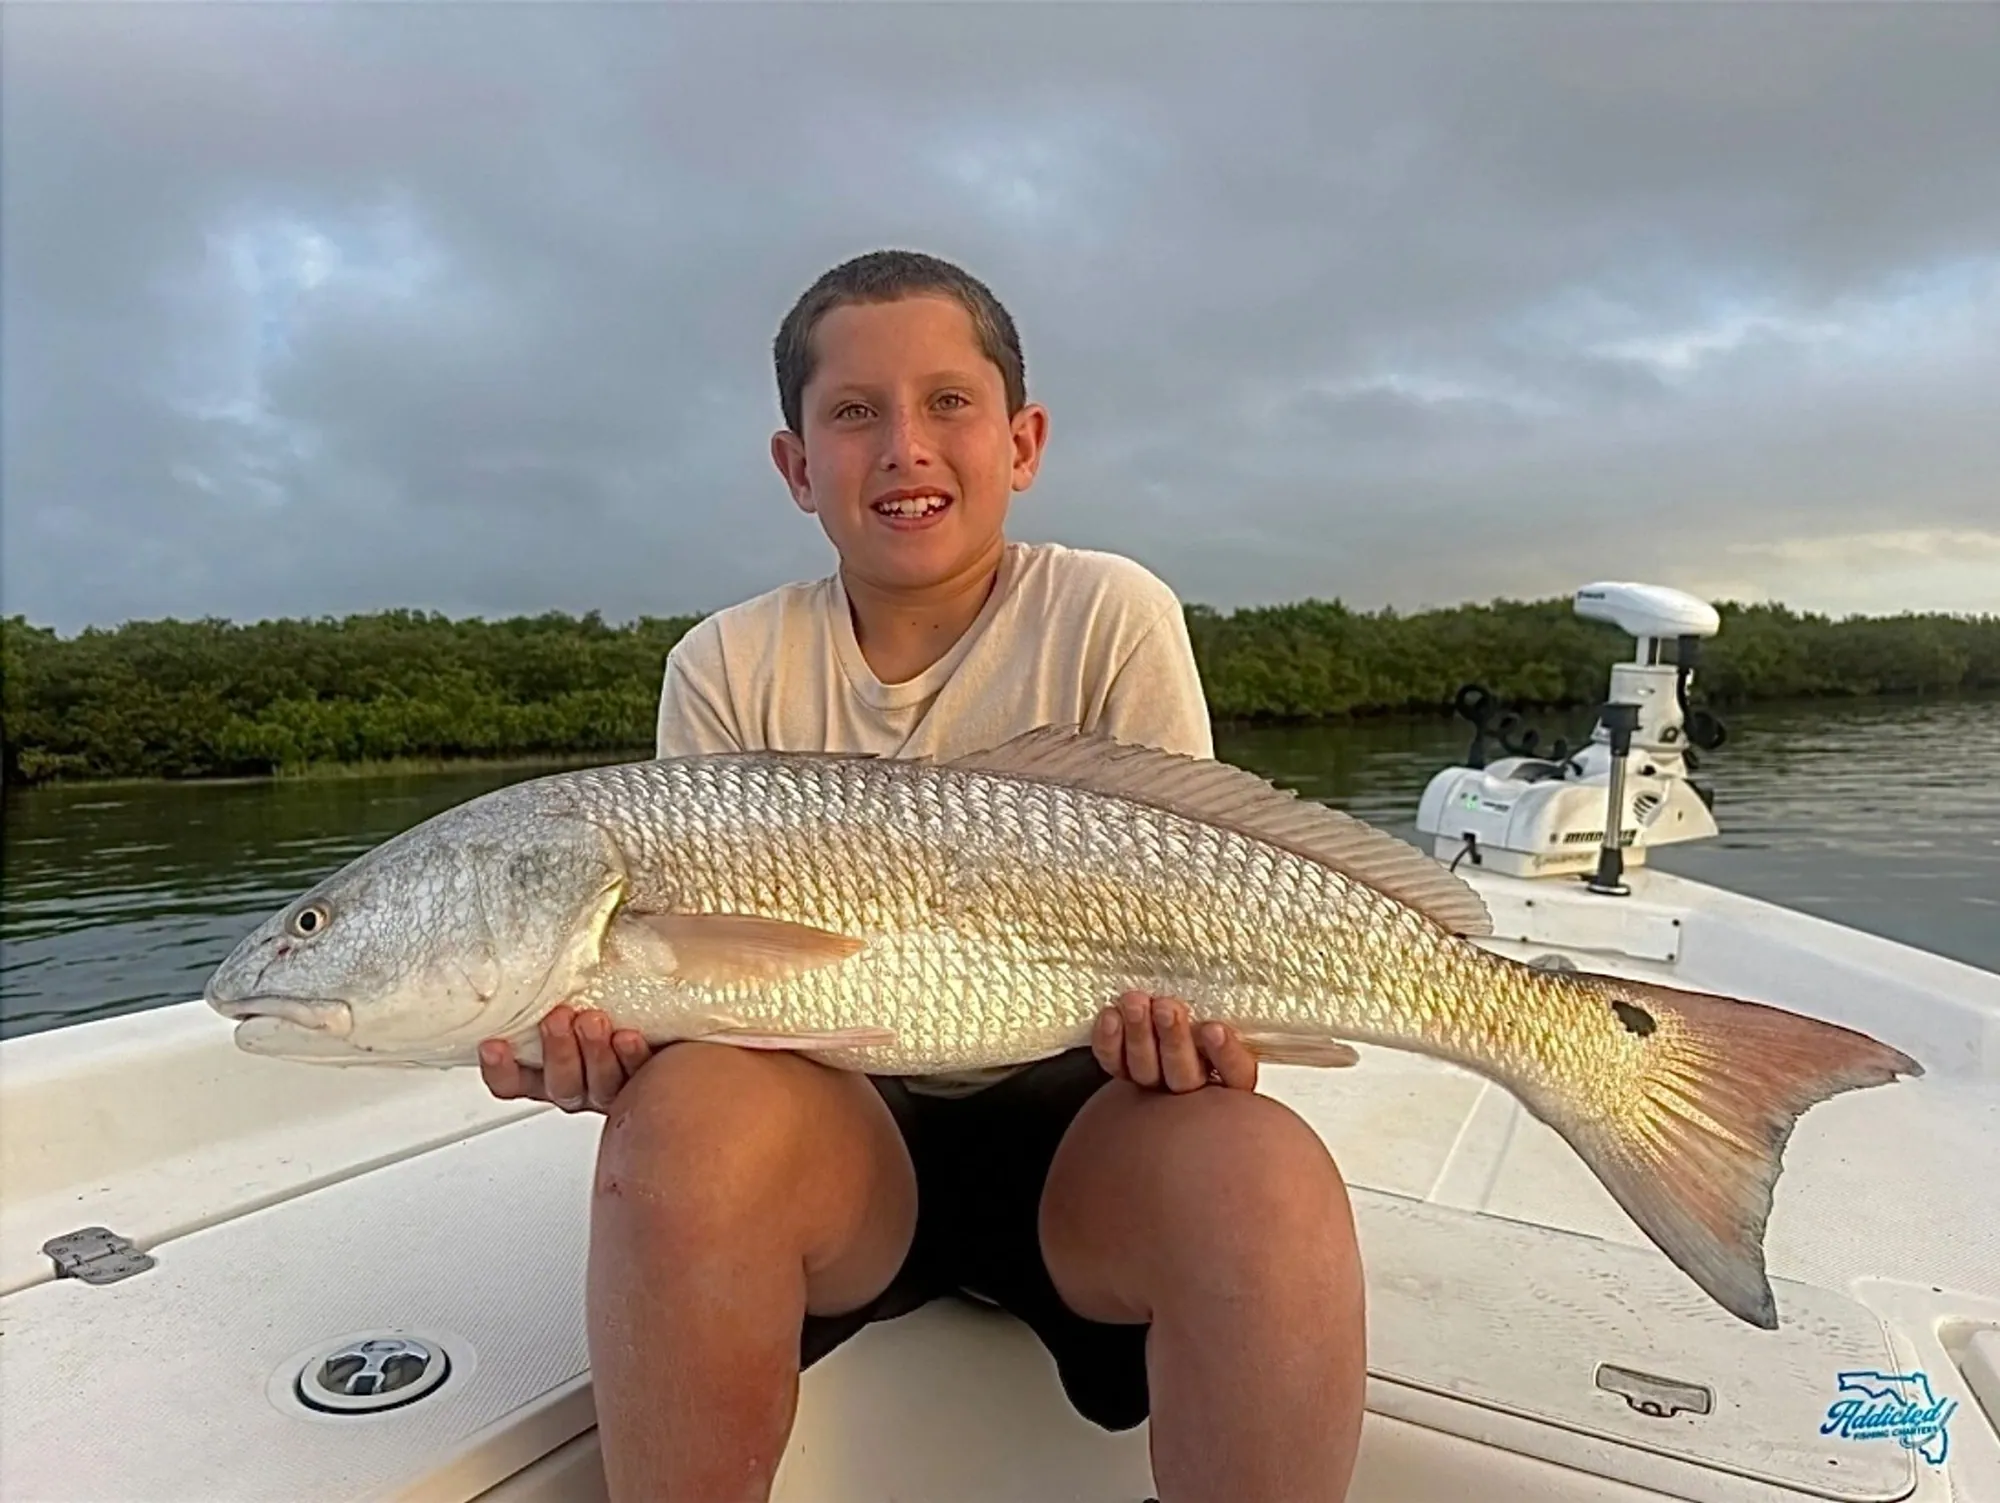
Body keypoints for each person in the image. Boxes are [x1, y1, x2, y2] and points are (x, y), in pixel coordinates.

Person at [477, 250, 1367, 1503]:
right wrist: (624, 1043)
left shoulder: (1111, 613)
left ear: (1023, 439)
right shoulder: (724, 663)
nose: (905, 445)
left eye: (948, 402)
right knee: (674, 1125)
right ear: (795, 466)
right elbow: (712, 996)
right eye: (852, 412)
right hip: (834, 1131)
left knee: (1262, 1179)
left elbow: (1196, 903)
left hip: (1089, 1117)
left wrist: (1203, 1031)